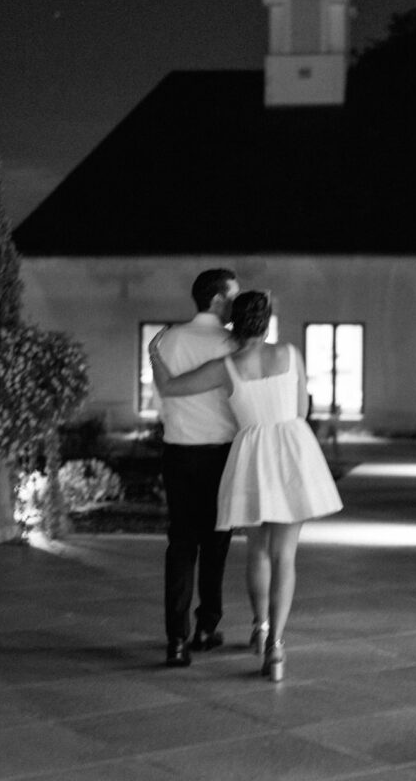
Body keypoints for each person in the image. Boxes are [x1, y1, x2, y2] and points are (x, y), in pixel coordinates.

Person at [150, 290, 343, 682]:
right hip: (293, 450)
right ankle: (276, 649)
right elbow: (303, 410)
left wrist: (155, 355)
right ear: (268, 320)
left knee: (258, 551)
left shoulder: (227, 366)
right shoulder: (290, 353)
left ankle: (260, 627)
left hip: (252, 454)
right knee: (286, 556)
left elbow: (170, 388)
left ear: (234, 324)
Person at [156, 267, 240, 667]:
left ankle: (176, 639)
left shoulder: (167, 339)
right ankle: (207, 626)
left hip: (178, 449)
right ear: (219, 299)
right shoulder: (233, 343)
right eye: (233, 296)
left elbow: (162, 392)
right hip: (220, 452)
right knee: (216, 541)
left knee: (181, 543)